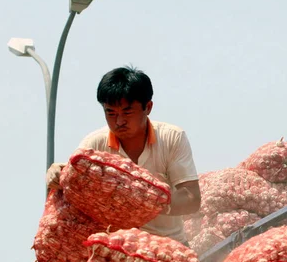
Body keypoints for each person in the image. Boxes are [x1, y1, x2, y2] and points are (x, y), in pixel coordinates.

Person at [46, 66, 201, 244]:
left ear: (148, 107)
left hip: (169, 244)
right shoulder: (94, 145)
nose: (119, 121)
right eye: (110, 113)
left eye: (127, 112)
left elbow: (191, 199)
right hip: (114, 249)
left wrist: (148, 202)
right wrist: (56, 173)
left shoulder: (171, 138)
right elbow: (68, 182)